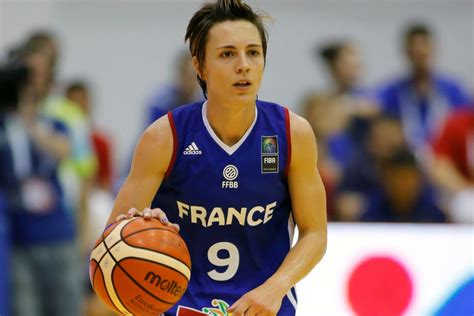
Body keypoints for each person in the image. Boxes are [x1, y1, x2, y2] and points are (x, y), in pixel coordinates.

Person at [106, 1, 327, 315]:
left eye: (253, 52)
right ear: (200, 66)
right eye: (227, 54)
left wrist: (275, 288)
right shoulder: (165, 137)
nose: (243, 65)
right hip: (181, 307)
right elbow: (111, 240)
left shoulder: (292, 134)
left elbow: (315, 233)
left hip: (263, 307)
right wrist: (144, 227)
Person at [0, 39, 82, 316]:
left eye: (38, 76)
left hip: (57, 235)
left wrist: (28, 119)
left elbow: (64, 150)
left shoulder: (54, 121)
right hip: (19, 241)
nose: (31, 83)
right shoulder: (4, 126)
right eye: (26, 76)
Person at [378, 23, 471, 153]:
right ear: (406, 52)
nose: (420, 52)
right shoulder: (392, 92)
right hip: (407, 164)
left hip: (445, 162)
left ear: (433, 49)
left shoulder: (454, 90)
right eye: (414, 48)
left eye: (424, 46)